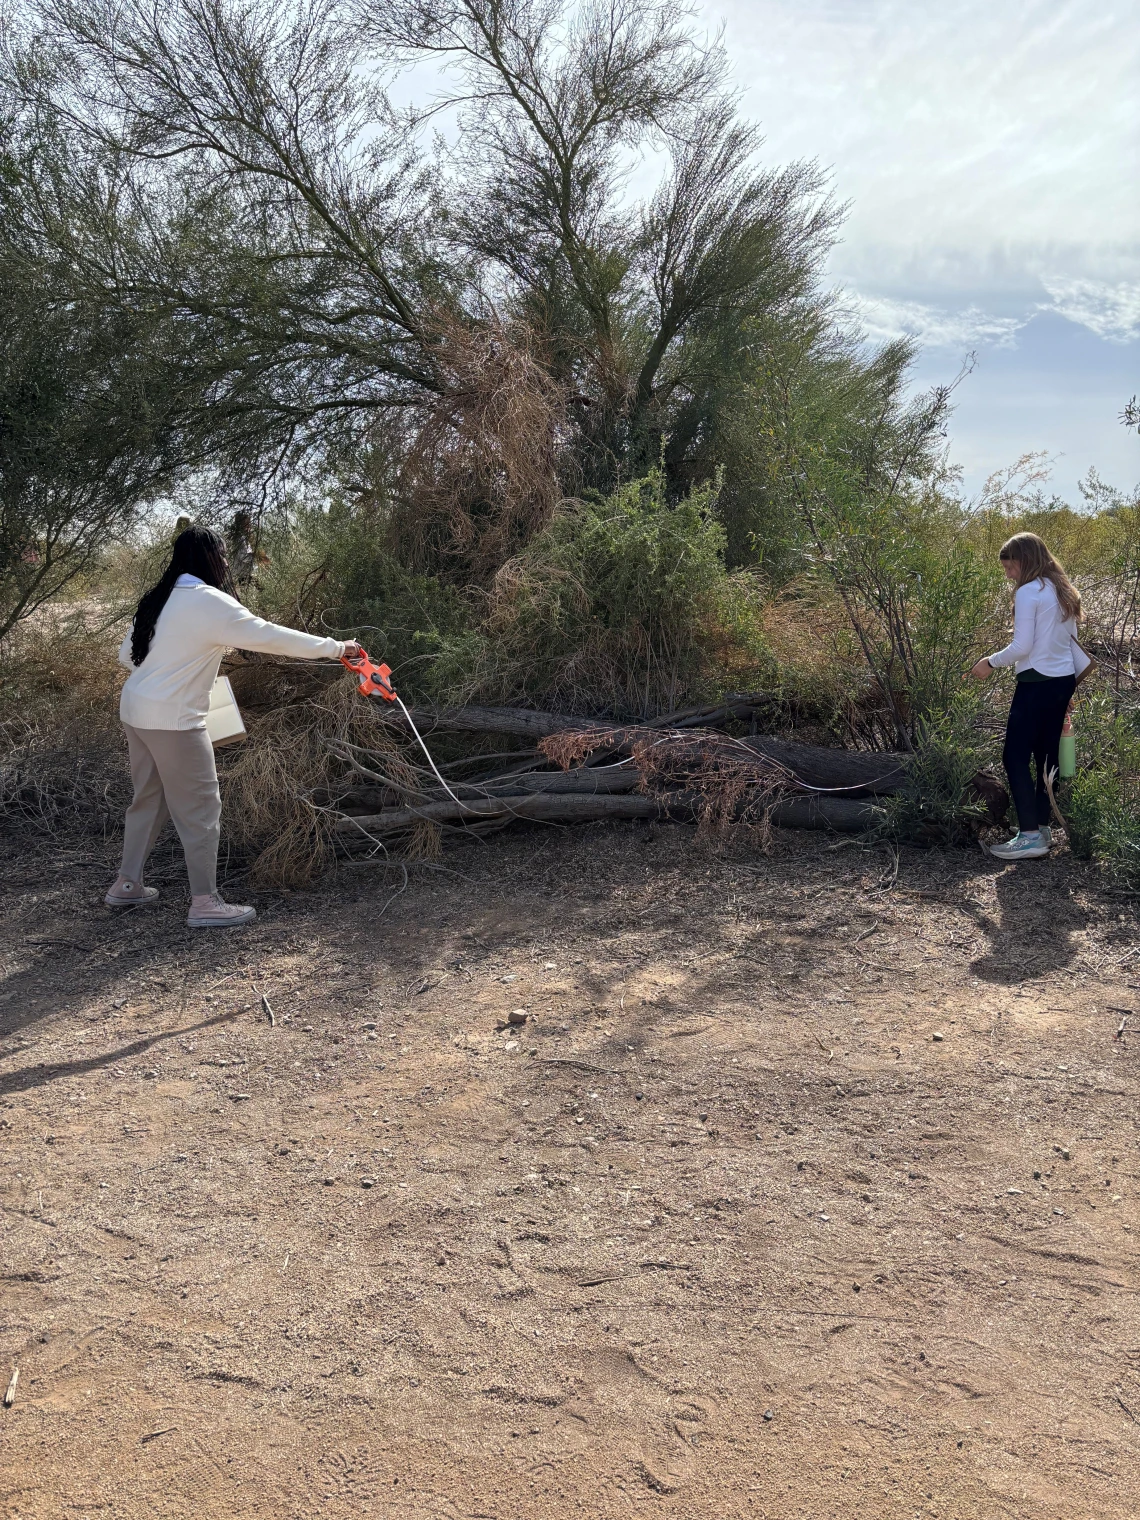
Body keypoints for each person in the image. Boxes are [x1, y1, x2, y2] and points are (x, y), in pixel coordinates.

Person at [106, 524, 360, 926]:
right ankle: (204, 903)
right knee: (201, 808)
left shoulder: (157, 598)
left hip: (137, 711)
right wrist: (336, 647)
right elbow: (270, 637)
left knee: (148, 799)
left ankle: (127, 884)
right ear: (208, 558)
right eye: (222, 555)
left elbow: (128, 657)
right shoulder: (209, 601)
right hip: (174, 721)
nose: (226, 562)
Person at [970, 532, 1091, 860]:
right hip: (1063, 681)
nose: (1009, 574)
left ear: (1026, 561)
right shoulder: (1062, 589)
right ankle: (1041, 825)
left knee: (1014, 756)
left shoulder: (1029, 592)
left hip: (1037, 682)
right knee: (1046, 756)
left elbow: (1022, 647)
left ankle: (1030, 837)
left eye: (1011, 567)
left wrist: (989, 663)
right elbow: (1071, 643)